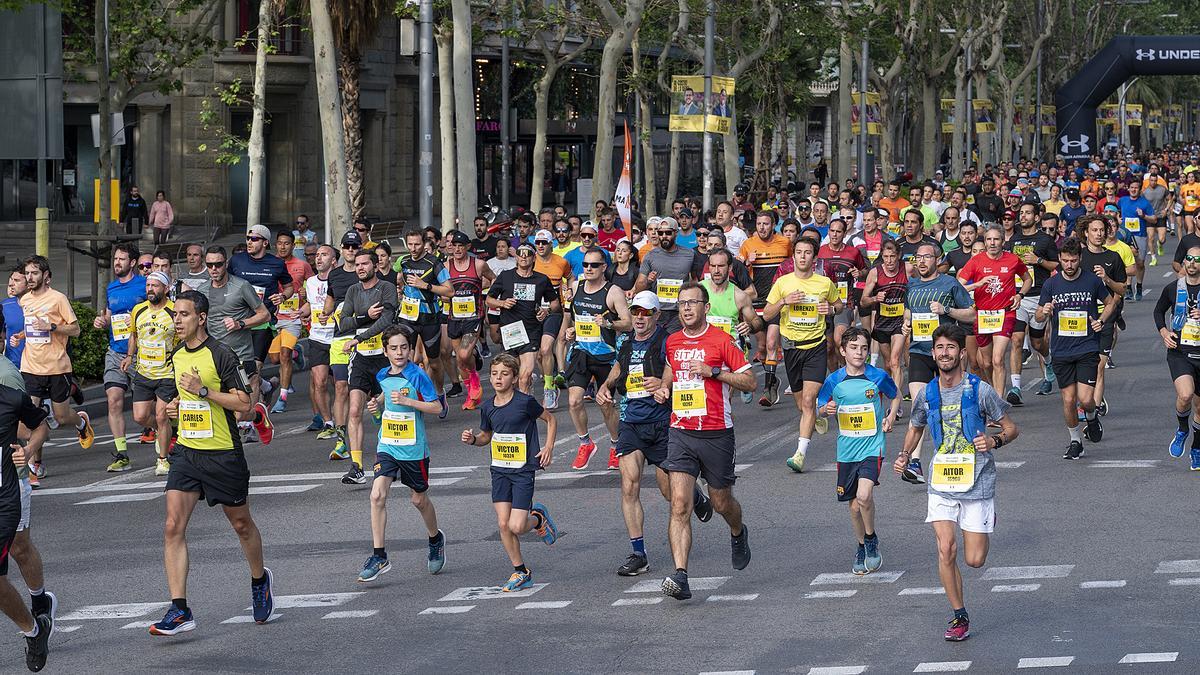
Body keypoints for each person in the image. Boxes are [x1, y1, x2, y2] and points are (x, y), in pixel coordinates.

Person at [153, 290, 275, 635]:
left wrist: (204, 391)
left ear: (201, 318)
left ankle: (259, 580)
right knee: (172, 526)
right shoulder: (176, 355)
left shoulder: (221, 354)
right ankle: (179, 609)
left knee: (241, 525)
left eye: (184, 315)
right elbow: (183, 395)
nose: (177, 320)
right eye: (175, 315)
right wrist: (177, 404)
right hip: (187, 453)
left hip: (222, 453)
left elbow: (244, 404)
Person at [894, 324, 1017, 642]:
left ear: (962, 353)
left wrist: (995, 442)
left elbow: (1011, 428)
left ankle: (986, 520)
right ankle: (959, 615)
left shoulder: (980, 390)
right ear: (933, 354)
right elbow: (915, 426)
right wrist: (905, 454)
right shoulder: (927, 393)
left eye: (951, 347)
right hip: (942, 482)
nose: (945, 353)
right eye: (939, 348)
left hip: (976, 480)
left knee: (974, 560)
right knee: (946, 548)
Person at [596, 291, 713, 576]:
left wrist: (663, 384)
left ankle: (696, 498)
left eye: (646, 312)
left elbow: (673, 368)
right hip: (631, 422)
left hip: (662, 422)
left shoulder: (666, 340)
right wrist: (606, 386)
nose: (639, 317)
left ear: (657, 316)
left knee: (668, 491)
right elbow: (621, 365)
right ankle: (639, 553)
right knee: (629, 485)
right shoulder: (624, 341)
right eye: (636, 311)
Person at [657, 282, 756, 600]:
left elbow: (750, 381)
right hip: (681, 431)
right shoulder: (672, 341)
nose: (686, 308)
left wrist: (714, 372)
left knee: (721, 502)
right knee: (679, 504)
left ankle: (738, 531)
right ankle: (681, 576)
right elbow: (671, 371)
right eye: (681, 303)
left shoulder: (721, 340)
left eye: (692, 303)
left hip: (716, 433)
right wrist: (662, 387)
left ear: (706, 306)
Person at [460, 354, 559, 591]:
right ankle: (520, 571)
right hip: (499, 471)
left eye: (504, 374)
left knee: (516, 526)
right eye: (494, 374)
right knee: (503, 525)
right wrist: (473, 439)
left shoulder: (525, 403)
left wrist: (548, 447)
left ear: (514, 378)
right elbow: (486, 436)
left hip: (523, 471)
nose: (498, 378)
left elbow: (550, 420)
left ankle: (538, 518)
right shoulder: (487, 407)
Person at [358, 325, 446, 582]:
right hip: (387, 444)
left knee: (418, 500)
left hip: (414, 448)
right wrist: (376, 407)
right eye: (394, 348)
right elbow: (383, 409)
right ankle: (379, 555)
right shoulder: (383, 375)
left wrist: (409, 402)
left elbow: (436, 407)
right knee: (377, 495)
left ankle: (435, 538)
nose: (399, 352)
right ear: (385, 351)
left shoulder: (417, 375)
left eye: (404, 348)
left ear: (410, 349)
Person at [817, 327, 900, 574]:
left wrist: (891, 416)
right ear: (843, 351)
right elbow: (820, 405)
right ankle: (862, 544)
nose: (859, 352)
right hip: (846, 450)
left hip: (872, 446)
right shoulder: (834, 379)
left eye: (864, 348)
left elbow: (894, 395)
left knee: (864, 496)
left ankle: (872, 539)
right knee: (853, 507)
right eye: (853, 348)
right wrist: (827, 409)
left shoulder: (876, 376)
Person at [10, 256, 95, 479]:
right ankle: (35, 464)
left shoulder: (58, 299)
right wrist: (20, 336)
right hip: (30, 368)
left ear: (46, 276)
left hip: (57, 367)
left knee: (62, 417)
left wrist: (53, 326)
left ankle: (81, 421)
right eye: (27, 273)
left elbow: (75, 330)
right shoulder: (24, 300)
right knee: (31, 418)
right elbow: (32, 328)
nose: (29, 278)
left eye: (34, 273)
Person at [898, 242, 976, 483]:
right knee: (920, 406)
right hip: (921, 351)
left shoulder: (950, 284)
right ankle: (915, 463)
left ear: (937, 260)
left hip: (947, 353)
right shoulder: (910, 286)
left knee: (955, 406)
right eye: (917, 258)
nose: (921, 262)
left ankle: (964, 452)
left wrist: (947, 310)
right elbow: (908, 312)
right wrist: (906, 324)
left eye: (927, 257)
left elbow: (972, 313)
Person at [764, 239, 842, 473]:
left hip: (816, 346)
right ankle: (816, 416)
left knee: (808, 400)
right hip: (791, 349)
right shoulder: (783, 283)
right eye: (798, 252)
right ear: (793, 257)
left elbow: (840, 305)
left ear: (814, 258)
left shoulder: (824, 283)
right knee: (802, 405)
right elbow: (768, 314)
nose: (802, 256)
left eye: (807, 253)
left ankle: (800, 454)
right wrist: (784, 301)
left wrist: (831, 309)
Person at [1035, 237, 1112, 460]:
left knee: (1086, 399)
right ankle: (1075, 441)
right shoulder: (1051, 284)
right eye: (1065, 261)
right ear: (1059, 259)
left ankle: (1091, 416)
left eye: (1073, 260)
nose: (1069, 265)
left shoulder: (1092, 281)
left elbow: (1110, 303)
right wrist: (1045, 310)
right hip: (1061, 350)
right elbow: (1039, 315)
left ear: (1080, 259)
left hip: (1087, 347)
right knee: (1068, 400)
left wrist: (1102, 320)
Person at [0, 376, 52, 670]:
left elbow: (40, 426)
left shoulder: (12, 398)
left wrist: (28, 451)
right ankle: (34, 629)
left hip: (4, 501)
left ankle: (37, 611)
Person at [564, 248, 632, 471]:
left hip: (606, 355)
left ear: (604, 267)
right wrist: (571, 332)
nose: (589, 269)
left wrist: (609, 324)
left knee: (605, 404)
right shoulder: (576, 287)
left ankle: (615, 445)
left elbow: (628, 323)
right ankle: (585, 443)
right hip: (582, 351)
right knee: (574, 401)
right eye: (585, 265)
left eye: (594, 265)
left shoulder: (613, 292)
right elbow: (574, 317)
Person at [196, 246, 272, 445]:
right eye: (210, 264)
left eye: (218, 264)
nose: (214, 269)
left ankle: (256, 417)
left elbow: (264, 314)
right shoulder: (202, 291)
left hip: (240, 354)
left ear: (226, 264)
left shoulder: (241, 286)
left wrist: (241, 323)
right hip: (214, 356)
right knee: (219, 406)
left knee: (239, 414)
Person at [337, 249, 398, 486]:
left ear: (375, 265)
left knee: (387, 412)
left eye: (365, 263)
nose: (360, 267)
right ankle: (357, 467)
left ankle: (392, 459)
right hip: (361, 359)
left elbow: (386, 321)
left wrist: (360, 335)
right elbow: (343, 323)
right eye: (357, 264)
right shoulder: (353, 291)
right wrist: (364, 317)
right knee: (354, 411)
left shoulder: (386, 288)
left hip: (385, 358)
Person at [227, 225, 293, 440]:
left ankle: (247, 422)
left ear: (265, 242)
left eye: (254, 239)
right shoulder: (237, 261)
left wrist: (282, 297)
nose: (249, 242)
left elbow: (289, 286)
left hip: (262, 323)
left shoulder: (276, 263)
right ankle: (266, 387)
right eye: (248, 238)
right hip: (237, 323)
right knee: (239, 371)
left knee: (252, 371)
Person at [956, 225, 1031, 399]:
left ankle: (997, 403)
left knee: (998, 360)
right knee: (986, 363)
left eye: (996, 239)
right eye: (989, 239)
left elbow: (1028, 279)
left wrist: (1020, 295)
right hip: (983, 315)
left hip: (1005, 314)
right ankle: (991, 393)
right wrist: (977, 284)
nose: (992, 243)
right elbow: (957, 286)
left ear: (1003, 241)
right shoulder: (976, 261)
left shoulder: (1012, 260)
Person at [93, 243, 147, 472]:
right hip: (116, 352)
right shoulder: (111, 288)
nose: (117, 263)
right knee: (113, 399)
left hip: (143, 353)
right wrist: (102, 321)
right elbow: (109, 316)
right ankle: (122, 453)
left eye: (122, 259)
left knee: (143, 415)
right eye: (115, 259)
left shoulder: (145, 285)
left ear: (132, 263)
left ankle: (169, 432)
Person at [395, 230, 454, 418]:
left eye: (417, 244)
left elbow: (449, 291)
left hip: (430, 318)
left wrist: (426, 285)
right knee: (405, 358)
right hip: (408, 317)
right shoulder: (404, 261)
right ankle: (410, 398)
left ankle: (439, 393)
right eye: (410, 244)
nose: (413, 248)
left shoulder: (434, 263)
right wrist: (401, 291)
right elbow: (400, 279)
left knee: (434, 363)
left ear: (424, 243)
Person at [487, 244, 560, 393]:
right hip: (510, 331)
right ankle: (523, 395)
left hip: (531, 331)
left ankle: (524, 409)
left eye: (528, 253)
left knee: (524, 377)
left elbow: (555, 303)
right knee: (512, 378)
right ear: (516, 257)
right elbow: (489, 299)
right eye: (520, 253)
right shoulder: (505, 276)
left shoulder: (541, 279)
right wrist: (502, 303)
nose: (524, 256)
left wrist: (546, 311)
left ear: (534, 258)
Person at [125, 271, 178, 476]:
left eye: (155, 286)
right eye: (148, 286)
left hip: (167, 372)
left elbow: (184, 336)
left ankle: (163, 460)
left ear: (165, 289)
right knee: (140, 417)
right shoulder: (138, 310)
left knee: (162, 416)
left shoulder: (174, 311)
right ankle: (164, 432)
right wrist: (130, 356)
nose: (150, 290)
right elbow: (134, 335)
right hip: (144, 372)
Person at [1006, 202, 1059, 402]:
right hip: (1018, 296)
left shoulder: (1045, 240)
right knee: (1017, 340)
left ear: (1037, 217)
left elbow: (1058, 264)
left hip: (1039, 296)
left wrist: (1038, 261)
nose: (1024, 216)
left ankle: (1048, 360)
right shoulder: (1013, 240)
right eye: (1022, 213)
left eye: (1028, 213)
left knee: (1038, 342)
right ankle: (1016, 389)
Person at [1156, 244, 1200, 469]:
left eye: (1197, 260)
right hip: (1180, 352)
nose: (1192, 263)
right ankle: (1182, 429)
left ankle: (1196, 448)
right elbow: (1158, 311)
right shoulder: (1173, 288)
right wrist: (1164, 333)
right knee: (1186, 395)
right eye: (1189, 259)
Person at [446, 230, 495, 410]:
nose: (457, 249)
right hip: (453, 317)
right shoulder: (445, 266)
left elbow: (493, 280)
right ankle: (471, 395)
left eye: (461, 246)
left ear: (467, 247)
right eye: (455, 246)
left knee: (464, 354)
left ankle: (474, 379)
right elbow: (442, 288)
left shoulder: (479, 264)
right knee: (459, 359)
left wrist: (479, 289)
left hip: (474, 316)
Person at [268, 230, 313, 414]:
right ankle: (298, 353)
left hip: (292, 318)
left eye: (287, 243)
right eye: (280, 243)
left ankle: (282, 397)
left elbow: (315, 285)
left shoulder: (302, 265)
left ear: (293, 246)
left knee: (284, 355)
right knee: (274, 358)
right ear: (275, 245)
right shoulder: (269, 264)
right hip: (272, 317)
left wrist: (305, 292)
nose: (283, 246)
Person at [634, 217, 704, 333]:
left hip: (680, 311)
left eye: (668, 232)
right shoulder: (650, 256)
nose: (664, 236)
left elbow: (695, 280)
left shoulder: (690, 254)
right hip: (657, 311)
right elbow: (638, 288)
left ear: (676, 233)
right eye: (661, 233)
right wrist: (649, 281)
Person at [302, 245, 338, 435]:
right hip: (317, 337)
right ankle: (328, 422)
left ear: (333, 260)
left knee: (340, 384)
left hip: (338, 337)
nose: (318, 258)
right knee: (320, 382)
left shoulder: (340, 280)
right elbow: (312, 303)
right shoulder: (310, 282)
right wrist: (302, 312)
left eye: (324, 255)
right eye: (317, 255)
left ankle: (343, 417)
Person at [1117, 181, 1156, 301]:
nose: (1133, 190)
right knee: (1127, 262)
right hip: (1124, 236)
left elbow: (1154, 219)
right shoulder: (1122, 200)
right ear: (1128, 188)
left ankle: (1139, 286)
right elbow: (1116, 212)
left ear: (1140, 190)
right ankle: (1128, 288)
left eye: (1136, 188)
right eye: (1131, 187)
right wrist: (1118, 219)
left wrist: (1144, 216)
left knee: (1139, 263)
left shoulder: (1144, 203)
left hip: (1139, 236)